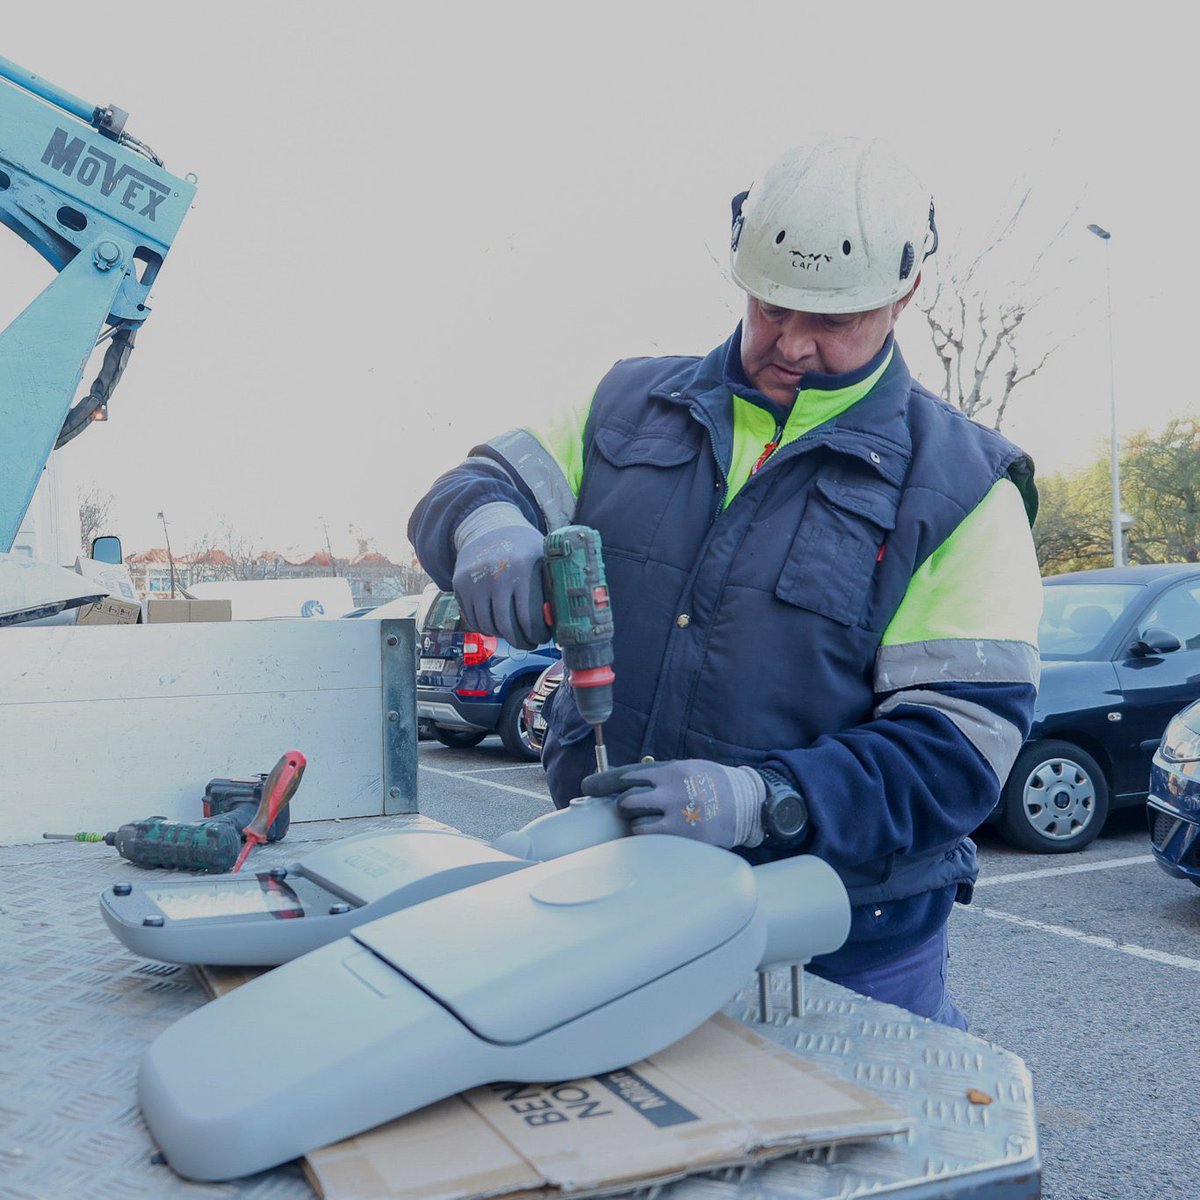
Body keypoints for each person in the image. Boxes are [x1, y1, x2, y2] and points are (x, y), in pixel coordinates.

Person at [408, 136, 1042, 1029]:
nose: (790, 344)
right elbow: (474, 483)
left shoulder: (962, 488)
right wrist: (487, 525)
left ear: (904, 295)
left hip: (840, 945)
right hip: (615, 897)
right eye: (771, 307)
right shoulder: (625, 403)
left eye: (831, 321)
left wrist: (764, 800)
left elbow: (959, 750)